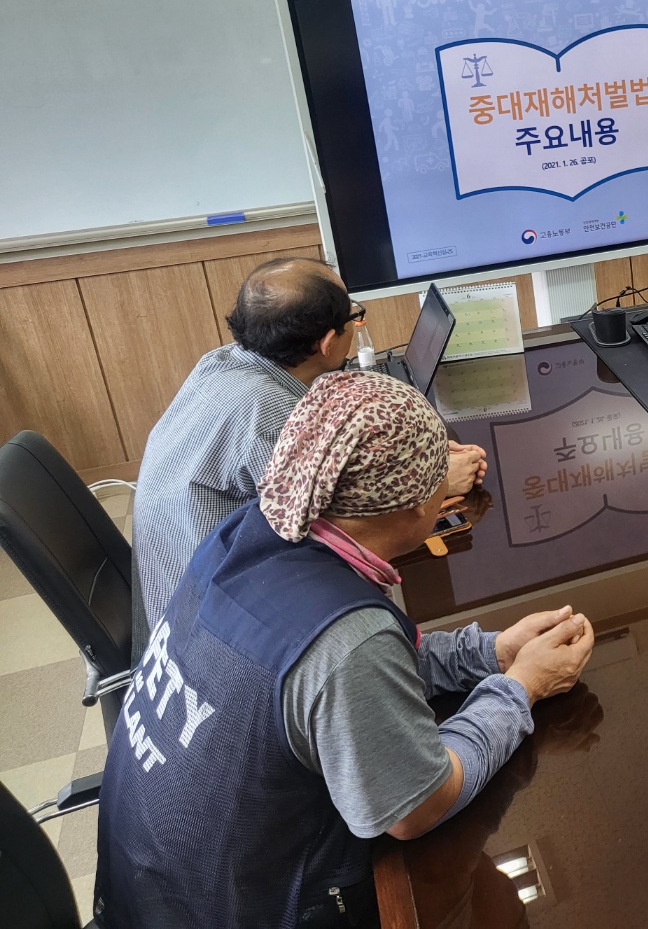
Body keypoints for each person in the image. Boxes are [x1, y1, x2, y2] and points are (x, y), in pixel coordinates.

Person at [94, 372, 595, 928]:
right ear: (416, 507)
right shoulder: (350, 641)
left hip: (145, 887)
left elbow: (348, 671)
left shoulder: (245, 532)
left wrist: (490, 652)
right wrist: (521, 687)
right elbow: (416, 805)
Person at [131, 256, 486, 645]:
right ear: (328, 343)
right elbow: (352, 518)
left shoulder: (220, 362)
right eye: (353, 314)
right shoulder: (272, 414)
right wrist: (434, 476)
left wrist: (416, 446)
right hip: (213, 627)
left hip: (176, 584)